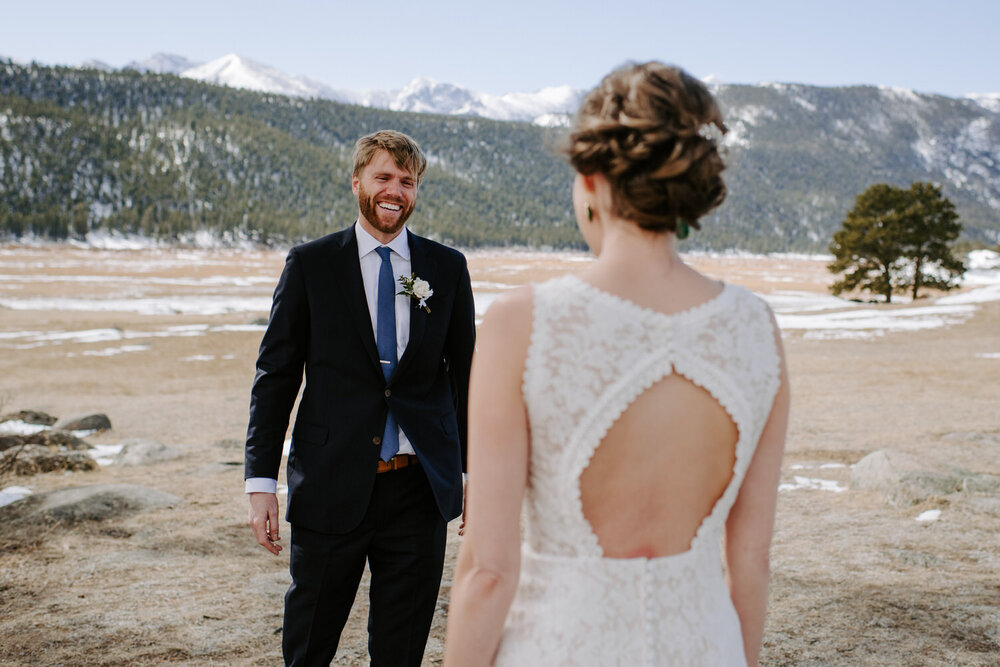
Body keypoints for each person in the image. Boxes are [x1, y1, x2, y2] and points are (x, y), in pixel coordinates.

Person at [443, 62, 790, 666]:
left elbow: (488, 572)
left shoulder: (523, 322)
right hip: (706, 647)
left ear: (592, 176)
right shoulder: (757, 327)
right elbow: (751, 565)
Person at [245, 129, 476, 666]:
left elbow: (467, 376)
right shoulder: (311, 265)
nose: (395, 190)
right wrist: (260, 483)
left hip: (419, 490)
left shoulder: (447, 268)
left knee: (401, 653)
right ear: (357, 183)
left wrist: (475, 471)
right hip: (330, 484)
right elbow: (275, 375)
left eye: (407, 181)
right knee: (309, 647)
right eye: (383, 177)